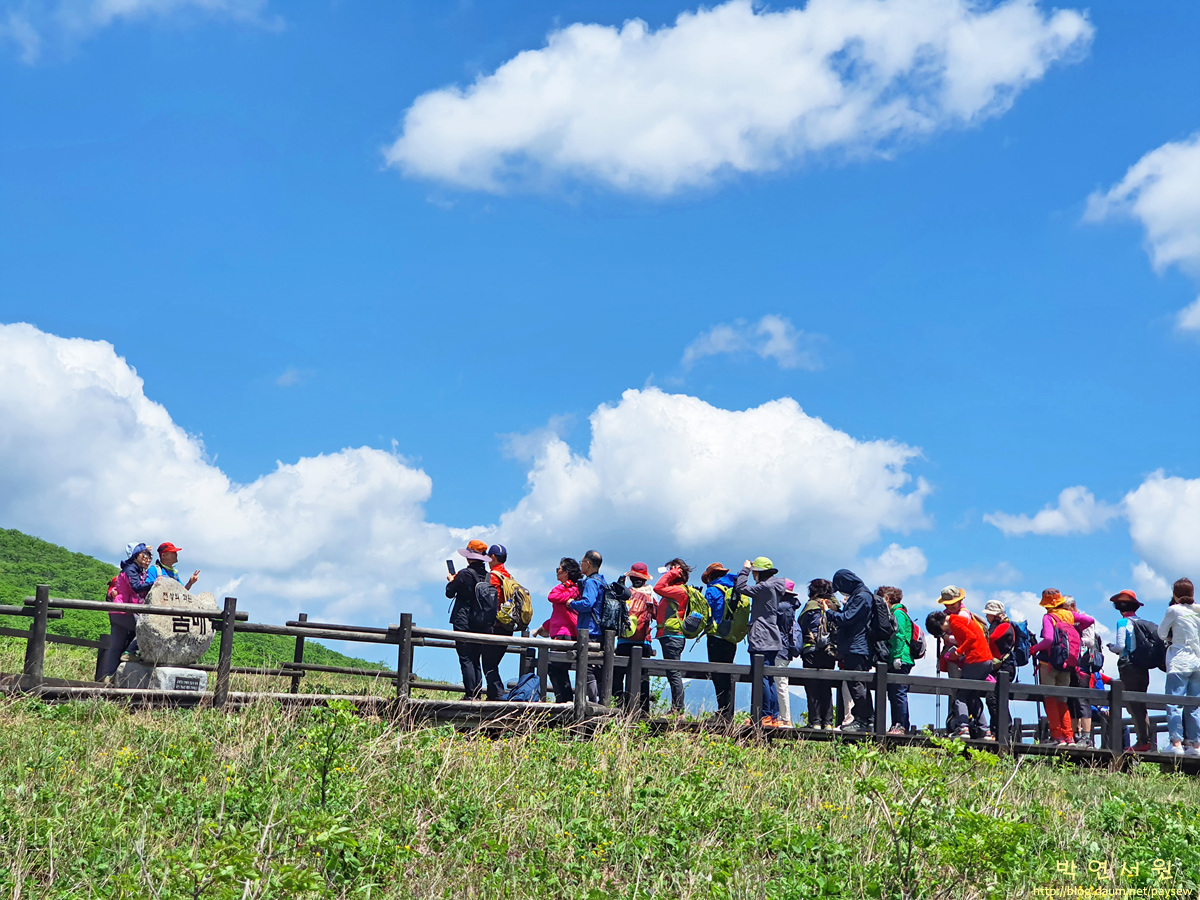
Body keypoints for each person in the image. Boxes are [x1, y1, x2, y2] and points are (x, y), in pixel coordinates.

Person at [1029, 588, 1094, 747]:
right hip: (1068, 664)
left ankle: (1057, 736)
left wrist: (1034, 649)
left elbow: (1049, 640)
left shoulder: (1048, 617)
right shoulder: (1069, 615)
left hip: (1049, 664)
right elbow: (1090, 620)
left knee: (1050, 699)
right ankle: (1069, 737)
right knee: (1062, 701)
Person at [930, 586, 993, 740]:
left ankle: (962, 728)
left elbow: (969, 638)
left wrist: (957, 652)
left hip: (975, 659)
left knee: (960, 695)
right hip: (985, 659)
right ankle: (985, 730)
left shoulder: (957, 620)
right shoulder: (956, 618)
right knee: (972, 696)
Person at [735, 557, 785, 727]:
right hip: (772, 637)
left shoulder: (764, 587)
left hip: (761, 636)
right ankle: (774, 716)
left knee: (761, 677)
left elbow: (740, 587)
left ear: (759, 572)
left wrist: (745, 570)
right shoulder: (775, 586)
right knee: (769, 678)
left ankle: (764, 715)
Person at [825, 569, 874, 733]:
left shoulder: (862, 596)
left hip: (857, 647)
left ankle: (863, 719)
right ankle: (865, 719)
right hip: (854, 646)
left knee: (857, 683)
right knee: (856, 684)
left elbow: (847, 619)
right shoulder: (859, 594)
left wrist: (829, 612)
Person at [1106, 590, 1153, 752]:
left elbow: (1121, 646)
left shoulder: (1123, 622)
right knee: (1141, 703)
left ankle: (1142, 742)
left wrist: (1111, 648)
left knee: (1132, 704)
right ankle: (1145, 740)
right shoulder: (1141, 623)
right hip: (1143, 667)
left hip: (1128, 666)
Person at [445, 539, 490, 701]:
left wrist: (452, 580)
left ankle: (471, 694)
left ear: (469, 557)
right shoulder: (487, 576)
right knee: (476, 658)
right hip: (481, 622)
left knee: (465, 657)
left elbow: (450, 592)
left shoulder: (464, 574)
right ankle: (477, 692)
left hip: (463, 621)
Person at [1159, 578, 1200, 756]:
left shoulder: (1173, 610)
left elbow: (1161, 633)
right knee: (1194, 706)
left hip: (1179, 662)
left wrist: (1171, 637)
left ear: (1175, 594)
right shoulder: (1198, 611)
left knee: (1174, 703)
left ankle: (1176, 743)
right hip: (1197, 662)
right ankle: (1195, 745)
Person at [100, 542, 153, 680]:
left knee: (116, 645)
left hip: (117, 611)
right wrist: (154, 583)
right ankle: (129, 652)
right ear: (135, 556)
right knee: (145, 627)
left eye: (148, 555)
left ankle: (109, 676)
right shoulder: (131, 569)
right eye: (144, 554)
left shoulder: (134, 569)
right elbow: (136, 587)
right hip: (124, 610)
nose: (147, 557)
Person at [614, 562, 655, 713]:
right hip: (643, 640)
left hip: (625, 639)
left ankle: (618, 708)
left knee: (618, 675)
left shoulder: (625, 592)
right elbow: (657, 615)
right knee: (643, 677)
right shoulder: (651, 594)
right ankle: (642, 710)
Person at [569, 550, 609, 703]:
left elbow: (587, 603)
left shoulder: (591, 582)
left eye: (582, 561)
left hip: (589, 630)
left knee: (587, 667)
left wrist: (571, 603)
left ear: (588, 563)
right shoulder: (602, 581)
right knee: (596, 667)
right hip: (600, 631)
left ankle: (591, 702)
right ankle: (600, 701)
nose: (580, 564)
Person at [701, 563, 740, 720]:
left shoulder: (712, 590)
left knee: (718, 675)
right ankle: (728, 712)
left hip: (715, 636)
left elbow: (705, 614)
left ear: (710, 576)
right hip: (732, 637)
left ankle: (722, 711)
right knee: (728, 674)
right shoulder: (734, 589)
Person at [652, 558, 691, 713]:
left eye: (671, 570)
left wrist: (673, 572)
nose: (668, 573)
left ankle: (678, 709)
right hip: (668, 635)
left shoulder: (679, 590)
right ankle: (676, 707)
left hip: (672, 637)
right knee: (671, 671)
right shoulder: (673, 591)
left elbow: (657, 587)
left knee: (674, 672)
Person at [543, 557, 583, 703]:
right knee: (558, 670)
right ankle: (564, 701)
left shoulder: (571, 590)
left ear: (566, 573)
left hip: (564, 635)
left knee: (555, 669)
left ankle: (564, 702)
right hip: (562, 633)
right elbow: (561, 614)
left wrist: (565, 584)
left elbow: (552, 596)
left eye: (558, 569)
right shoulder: (572, 589)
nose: (556, 572)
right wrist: (545, 627)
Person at [800, 579, 838, 729]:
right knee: (826, 686)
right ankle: (828, 722)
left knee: (812, 687)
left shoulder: (810, 606)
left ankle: (815, 722)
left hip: (811, 649)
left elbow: (803, 627)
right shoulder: (834, 607)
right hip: (829, 650)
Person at [1064, 595, 1101, 746]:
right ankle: (1074, 734)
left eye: (1065, 609)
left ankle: (1086, 736)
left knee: (1082, 700)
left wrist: (1072, 638)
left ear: (1072, 606)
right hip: (1071, 663)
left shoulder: (1085, 619)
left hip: (1083, 664)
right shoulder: (1067, 620)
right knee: (1071, 700)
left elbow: (1090, 641)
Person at [480, 544, 514, 701]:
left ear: (493, 557)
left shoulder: (492, 576)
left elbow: (489, 602)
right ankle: (495, 695)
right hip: (508, 625)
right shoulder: (508, 577)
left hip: (494, 625)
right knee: (493, 663)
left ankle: (498, 696)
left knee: (488, 664)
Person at [883, 586, 914, 735]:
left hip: (900, 658)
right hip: (899, 658)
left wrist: (897, 657)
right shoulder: (899, 613)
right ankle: (897, 724)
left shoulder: (898, 614)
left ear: (887, 599)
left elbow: (900, 636)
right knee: (894, 693)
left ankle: (901, 725)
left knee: (899, 693)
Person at [775, 579, 803, 726]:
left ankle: (785, 718)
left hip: (780, 649)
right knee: (779, 682)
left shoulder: (782, 606)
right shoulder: (790, 606)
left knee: (781, 683)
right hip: (785, 648)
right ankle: (781, 716)